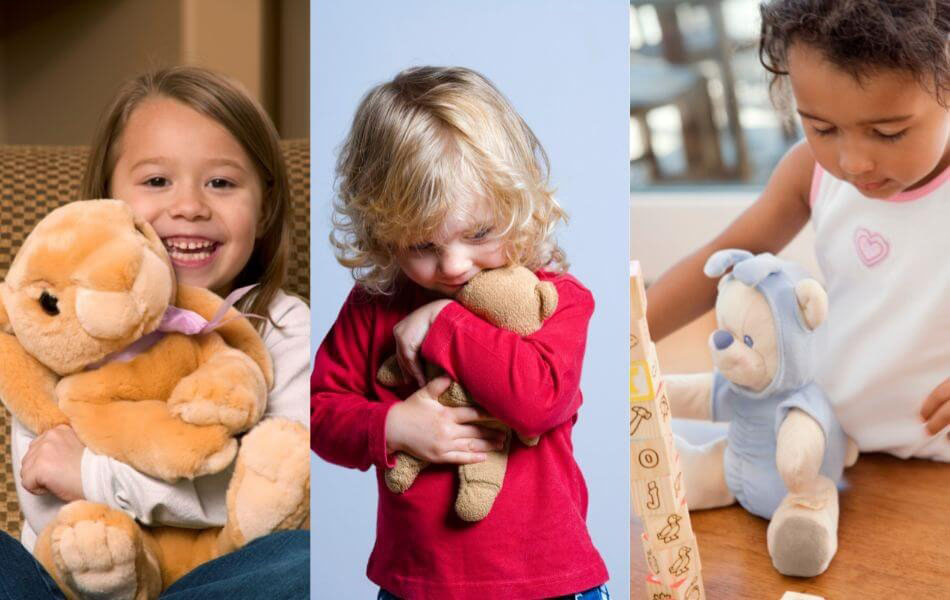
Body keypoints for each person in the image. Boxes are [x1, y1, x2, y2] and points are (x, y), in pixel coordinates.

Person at [7, 66, 310, 596]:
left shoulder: (285, 327)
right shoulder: (57, 315)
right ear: (106, 200)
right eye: (156, 181)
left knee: (303, 560)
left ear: (263, 208)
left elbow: (274, 486)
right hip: (68, 585)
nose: (189, 206)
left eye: (221, 182)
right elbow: (45, 478)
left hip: (219, 581)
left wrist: (96, 475)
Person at [311, 66, 609, 599]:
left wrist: (445, 322)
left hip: (548, 584)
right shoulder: (373, 307)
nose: (452, 265)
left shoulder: (556, 301)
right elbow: (319, 415)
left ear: (518, 205)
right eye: (422, 245)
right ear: (384, 234)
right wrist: (394, 426)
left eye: (478, 234)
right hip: (417, 584)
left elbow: (539, 401)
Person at [648, 0, 949, 463]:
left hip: (936, 460)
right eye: (822, 128)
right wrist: (618, 338)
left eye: (888, 133)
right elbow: (720, 258)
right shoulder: (808, 171)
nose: (853, 163)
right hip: (834, 438)